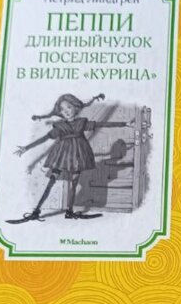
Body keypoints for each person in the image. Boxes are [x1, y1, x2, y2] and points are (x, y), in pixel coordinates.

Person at [12, 93, 128, 222]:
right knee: (51, 181)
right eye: (62, 109)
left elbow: (102, 124)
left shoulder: (81, 123)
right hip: (61, 156)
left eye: (68, 107)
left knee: (74, 183)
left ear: (75, 107)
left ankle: (69, 211)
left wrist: (125, 124)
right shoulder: (60, 126)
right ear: (60, 112)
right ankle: (36, 212)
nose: (66, 111)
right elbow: (45, 138)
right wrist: (26, 148)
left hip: (78, 156)